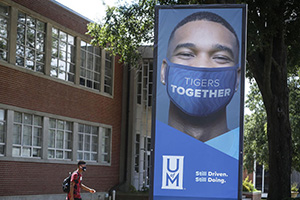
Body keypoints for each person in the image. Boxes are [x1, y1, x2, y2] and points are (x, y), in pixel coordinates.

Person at [160, 11, 241, 142]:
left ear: (237, 78)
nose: (202, 66)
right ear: (164, 71)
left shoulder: (235, 156)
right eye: (186, 54)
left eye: (220, 57)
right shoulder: (156, 147)